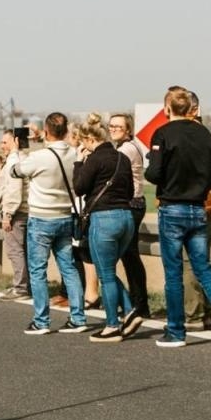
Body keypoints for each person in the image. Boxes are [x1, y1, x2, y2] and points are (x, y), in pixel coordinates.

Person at [145, 86, 211, 348]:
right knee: (202, 267)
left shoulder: (162, 134)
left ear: (167, 109)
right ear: (191, 108)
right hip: (199, 208)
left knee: (174, 272)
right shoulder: (204, 134)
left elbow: (153, 174)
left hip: (172, 208)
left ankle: (176, 331)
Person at [11, 112, 87, 335]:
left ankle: (42, 321)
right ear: (65, 131)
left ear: (46, 132)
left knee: (38, 271)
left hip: (41, 219)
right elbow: (70, 147)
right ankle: (78, 317)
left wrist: (18, 151)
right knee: (69, 268)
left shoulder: (39, 157)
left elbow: (16, 171)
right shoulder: (74, 154)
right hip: (64, 216)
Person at [72, 114, 139, 341]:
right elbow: (130, 192)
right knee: (108, 268)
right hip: (126, 218)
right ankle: (129, 312)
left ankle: (112, 325)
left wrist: (79, 162)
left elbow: (79, 187)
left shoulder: (94, 159)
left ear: (90, 139)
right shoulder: (123, 158)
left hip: (104, 220)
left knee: (106, 274)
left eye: (83, 142)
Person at [107, 113, 151, 324]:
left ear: (128, 130)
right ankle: (137, 303)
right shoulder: (126, 147)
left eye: (118, 126)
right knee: (128, 255)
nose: (114, 129)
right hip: (134, 204)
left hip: (131, 204)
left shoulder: (126, 150)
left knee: (129, 255)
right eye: (111, 125)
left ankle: (138, 304)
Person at [0, 128, 31, 302]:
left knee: (15, 251)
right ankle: (25, 285)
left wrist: (7, 214)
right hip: (26, 212)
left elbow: (13, 190)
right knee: (24, 251)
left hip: (16, 214)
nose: (1, 146)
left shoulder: (14, 162)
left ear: (15, 141)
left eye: (4, 142)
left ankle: (21, 288)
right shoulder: (28, 159)